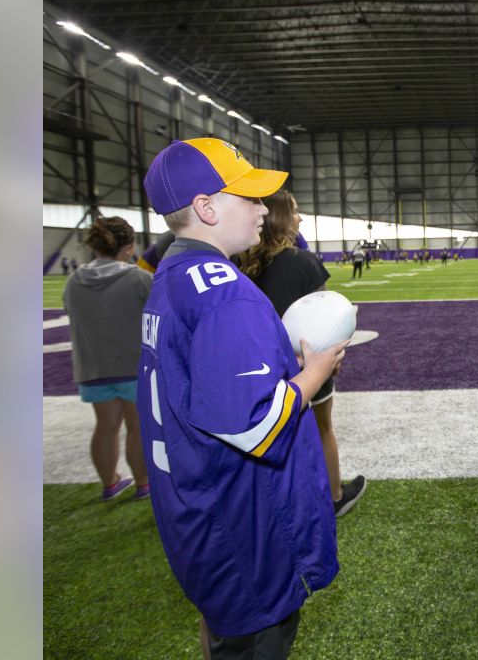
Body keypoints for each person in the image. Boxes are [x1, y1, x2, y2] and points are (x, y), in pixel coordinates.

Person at [137, 138, 348, 659]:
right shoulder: (222, 291)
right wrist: (314, 374)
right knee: (256, 642)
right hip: (241, 521)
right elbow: (255, 427)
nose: (261, 210)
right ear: (206, 208)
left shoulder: (171, 277)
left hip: (194, 507)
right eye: (248, 198)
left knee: (224, 632)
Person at [238, 190, 367, 517]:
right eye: (294, 211)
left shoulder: (240, 263)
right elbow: (325, 323)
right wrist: (332, 359)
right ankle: (335, 496)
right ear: (281, 217)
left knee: (267, 434)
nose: (300, 218)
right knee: (322, 429)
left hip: (259, 367)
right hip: (307, 363)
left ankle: (277, 502)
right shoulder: (302, 261)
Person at [63, 216, 152, 502]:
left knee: (105, 428)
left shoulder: (74, 281)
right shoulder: (139, 279)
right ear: (128, 246)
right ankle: (143, 483)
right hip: (133, 367)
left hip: (93, 368)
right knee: (138, 429)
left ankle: (110, 483)